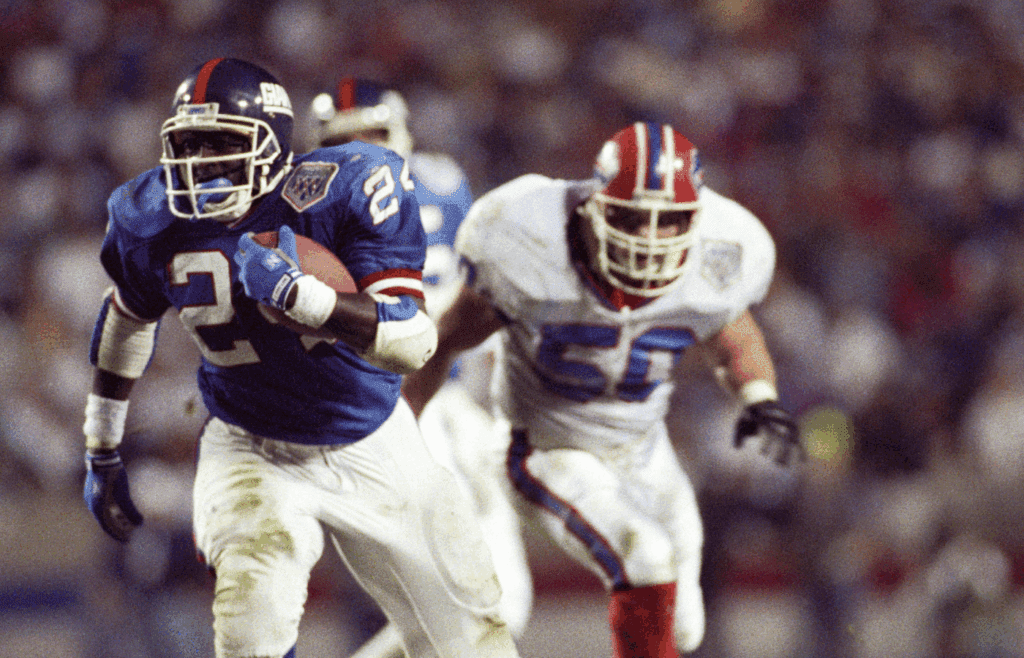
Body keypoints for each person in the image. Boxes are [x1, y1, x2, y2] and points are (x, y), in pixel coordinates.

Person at [81, 57, 522, 658]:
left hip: (370, 434)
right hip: (250, 444)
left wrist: (303, 296)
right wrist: (101, 444)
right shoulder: (150, 213)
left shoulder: (343, 187)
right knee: (251, 634)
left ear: (272, 146)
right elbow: (127, 319)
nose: (201, 163)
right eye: (190, 143)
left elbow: (414, 339)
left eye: (222, 143)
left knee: (477, 639)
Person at [402, 121, 805, 657]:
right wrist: (401, 435)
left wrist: (759, 398)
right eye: (632, 217)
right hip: (546, 447)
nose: (649, 239)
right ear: (594, 205)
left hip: (645, 450)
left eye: (669, 223)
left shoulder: (720, 256)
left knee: (682, 626)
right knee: (646, 558)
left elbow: (734, 335)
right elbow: (443, 342)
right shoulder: (531, 241)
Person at [308, 77, 533, 658]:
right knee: (472, 607)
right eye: (346, 140)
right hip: (382, 407)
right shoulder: (312, 211)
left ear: (400, 132)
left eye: (374, 135)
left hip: (449, 396)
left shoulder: (444, 182)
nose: (362, 151)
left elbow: (474, 289)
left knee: (502, 603)